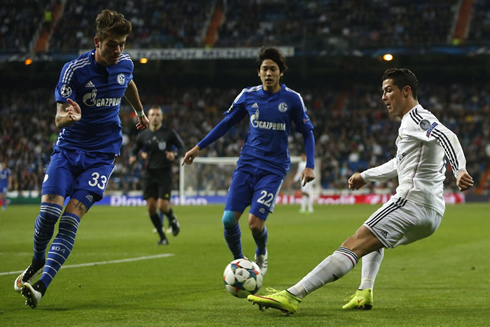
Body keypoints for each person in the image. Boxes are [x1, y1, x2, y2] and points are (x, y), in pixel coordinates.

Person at [248, 68, 474, 314]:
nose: (383, 97)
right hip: (432, 213)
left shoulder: (417, 117)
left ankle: (293, 295)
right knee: (373, 240)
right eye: (382, 92)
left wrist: (460, 170)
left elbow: (447, 135)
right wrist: (365, 176)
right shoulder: (411, 126)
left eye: (388, 91)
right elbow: (399, 163)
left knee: (353, 244)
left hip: (412, 202)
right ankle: (364, 292)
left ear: (406, 91)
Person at [14, 9, 149, 309]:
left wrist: (139, 112)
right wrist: (67, 119)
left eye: (123, 44)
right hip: (69, 150)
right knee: (50, 213)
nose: (118, 50)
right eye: (112, 44)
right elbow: (59, 115)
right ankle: (37, 258)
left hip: (102, 156)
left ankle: (41, 287)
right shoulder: (74, 71)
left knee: (70, 221)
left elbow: (128, 83)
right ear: (97, 41)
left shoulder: (125, 64)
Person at [182, 47, 315, 276]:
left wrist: (310, 164)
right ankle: (240, 263)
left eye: (273, 69)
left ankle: (261, 251)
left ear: (281, 72)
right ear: (258, 72)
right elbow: (225, 124)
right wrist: (198, 146)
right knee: (227, 220)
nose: (269, 73)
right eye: (265, 69)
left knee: (254, 223)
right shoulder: (247, 95)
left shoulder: (292, 99)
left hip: (273, 168)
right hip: (247, 164)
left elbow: (307, 132)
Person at [129, 105, 185, 245]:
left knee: (162, 205)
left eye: (157, 115)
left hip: (164, 173)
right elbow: (134, 149)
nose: (155, 117)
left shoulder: (169, 133)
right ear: (148, 117)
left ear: (161, 117)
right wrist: (133, 156)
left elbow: (182, 148)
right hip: (149, 174)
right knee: (151, 208)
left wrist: (175, 154)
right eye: (152, 114)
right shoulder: (143, 135)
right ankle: (162, 237)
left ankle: (172, 219)